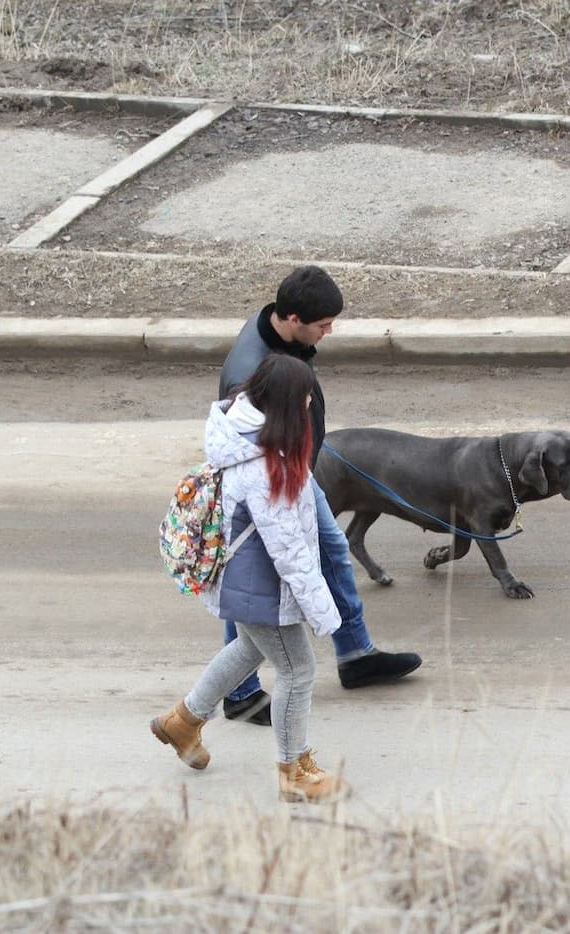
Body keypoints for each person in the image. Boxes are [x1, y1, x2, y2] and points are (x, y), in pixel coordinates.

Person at [218, 265, 421, 724]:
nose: (328, 334)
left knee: (332, 548)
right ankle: (240, 694)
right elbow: (251, 449)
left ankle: (355, 654)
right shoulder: (249, 375)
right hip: (270, 488)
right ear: (292, 318)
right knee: (248, 587)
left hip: (295, 473)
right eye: (323, 326)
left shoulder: (280, 331)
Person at [152, 354, 345, 802]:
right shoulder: (264, 467)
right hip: (262, 590)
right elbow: (289, 550)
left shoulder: (246, 438)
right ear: (283, 406)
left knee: (246, 651)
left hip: (246, 582)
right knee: (298, 670)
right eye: (305, 398)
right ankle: (293, 772)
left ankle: (182, 723)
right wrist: (324, 610)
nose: (310, 403)